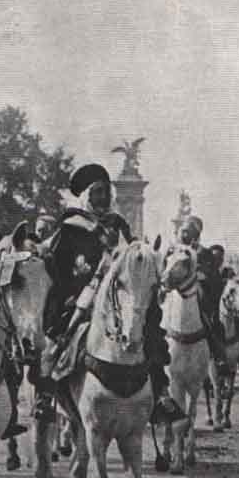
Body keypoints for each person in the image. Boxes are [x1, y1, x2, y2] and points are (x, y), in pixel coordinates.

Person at [40, 162, 184, 424]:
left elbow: (132, 256)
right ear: (86, 196)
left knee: (150, 321)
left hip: (118, 294)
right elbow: (56, 266)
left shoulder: (117, 223)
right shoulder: (71, 226)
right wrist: (72, 288)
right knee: (62, 330)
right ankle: (47, 391)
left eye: (106, 193)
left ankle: (160, 390)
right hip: (81, 293)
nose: (102, 198)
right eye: (96, 193)